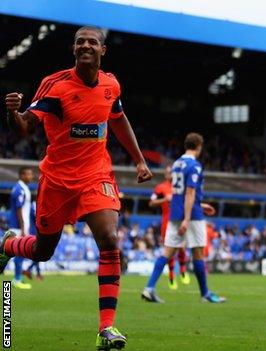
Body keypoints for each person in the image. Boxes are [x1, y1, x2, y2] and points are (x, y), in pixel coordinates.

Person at [2, 26, 153, 350]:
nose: (86, 45)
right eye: (80, 42)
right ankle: (8, 244)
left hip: (96, 174)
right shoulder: (55, 86)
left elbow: (118, 118)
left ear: (102, 50)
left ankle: (106, 328)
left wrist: (139, 160)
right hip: (57, 179)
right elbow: (26, 128)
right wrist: (13, 112)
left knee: (110, 239)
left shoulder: (111, 85)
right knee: (42, 251)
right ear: (73, 49)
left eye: (92, 42)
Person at [141, 133, 225, 304]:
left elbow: (178, 194)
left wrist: (201, 205)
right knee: (198, 252)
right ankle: (205, 294)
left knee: (167, 252)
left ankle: (149, 289)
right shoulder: (194, 165)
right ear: (199, 146)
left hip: (175, 214)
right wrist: (188, 217)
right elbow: (190, 192)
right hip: (191, 216)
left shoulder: (176, 164)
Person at [149, 164, 190, 290]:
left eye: (171, 172)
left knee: (182, 248)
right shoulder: (161, 188)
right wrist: (164, 200)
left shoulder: (181, 187)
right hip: (167, 222)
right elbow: (151, 202)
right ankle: (172, 275)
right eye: (167, 172)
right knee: (170, 251)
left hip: (180, 220)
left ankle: (182, 270)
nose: (170, 174)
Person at [7, 167, 34, 289]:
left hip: (20, 227)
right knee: (19, 253)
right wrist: (23, 227)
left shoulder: (23, 188)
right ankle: (17, 280)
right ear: (22, 175)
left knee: (19, 253)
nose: (31, 176)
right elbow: (18, 209)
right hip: (18, 227)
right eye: (28, 174)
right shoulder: (20, 189)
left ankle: (18, 278)